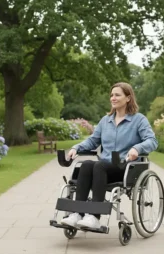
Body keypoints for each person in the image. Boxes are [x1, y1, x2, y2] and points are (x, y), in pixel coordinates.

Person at [61, 82, 158, 229]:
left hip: (124, 167)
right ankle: (77, 213)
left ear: (128, 98)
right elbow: (93, 140)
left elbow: (152, 141)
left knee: (99, 165)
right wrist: (76, 148)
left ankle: (94, 217)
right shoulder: (105, 121)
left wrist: (137, 148)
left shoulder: (138, 120)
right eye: (112, 95)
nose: (113, 98)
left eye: (117, 95)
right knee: (86, 164)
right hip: (104, 168)